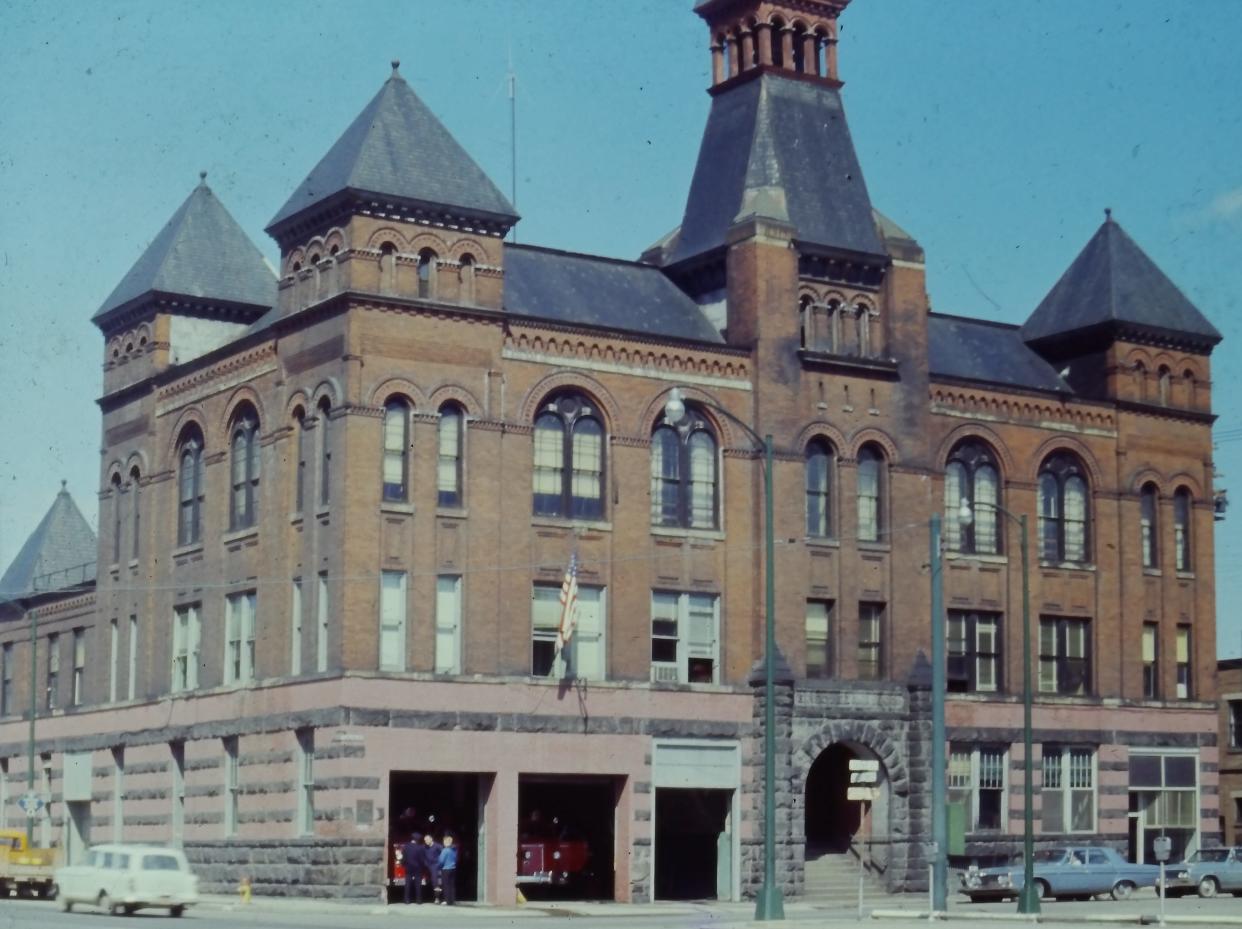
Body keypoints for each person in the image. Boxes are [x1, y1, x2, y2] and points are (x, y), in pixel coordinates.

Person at [400, 832, 422, 905]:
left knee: (408, 884)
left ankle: (406, 900)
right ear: (417, 840)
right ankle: (418, 900)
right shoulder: (420, 847)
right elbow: (421, 859)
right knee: (418, 884)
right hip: (417, 867)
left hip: (408, 867)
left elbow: (404, 858)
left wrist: (403, 864)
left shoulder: (406, 846)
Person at [438, 834, 458, 906]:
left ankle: (446, 900)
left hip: (446, 869)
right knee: (452, 886)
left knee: (446, 885)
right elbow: (456, 859)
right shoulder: (454, 850)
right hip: (453, 868)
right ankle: (452, 900)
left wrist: (438, 866)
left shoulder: (445, 850)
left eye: (444, 841)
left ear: (446, 842)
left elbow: (441, 861)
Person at [423, 831, 443, 903]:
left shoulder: (438, 846)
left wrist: (439, 862)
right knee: (428, 882)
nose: (426, 841)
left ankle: (437, 898)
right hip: (427, 867)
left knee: (435, 882)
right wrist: (425, 863)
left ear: (431, 839)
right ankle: (428, 896)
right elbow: (423, 855)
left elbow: (443, 853)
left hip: (435, 866)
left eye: (427, 840)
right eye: (425, 840)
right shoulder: (424, 847)